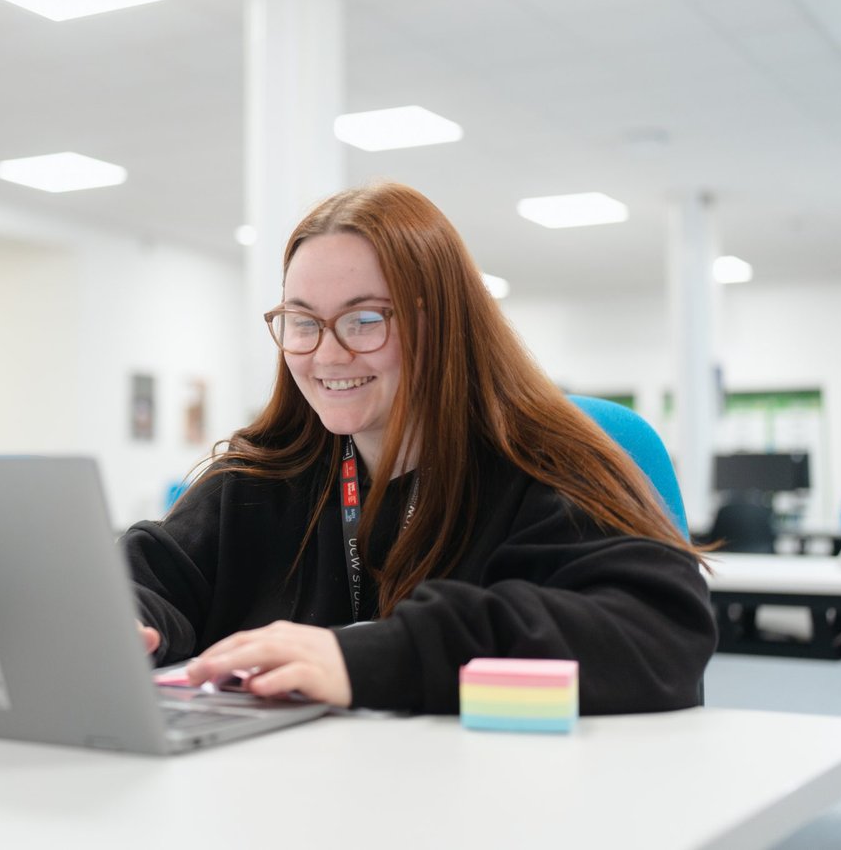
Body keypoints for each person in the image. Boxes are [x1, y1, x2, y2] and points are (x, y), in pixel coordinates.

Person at [125, 180, 716, 714]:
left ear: (441, 326)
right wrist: (127, 619)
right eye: (302, 322)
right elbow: (148, 576)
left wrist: (372, 657)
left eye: (364, 320)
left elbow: (659, 632)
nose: (327, 355)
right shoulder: (257, 481)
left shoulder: (543, 469)